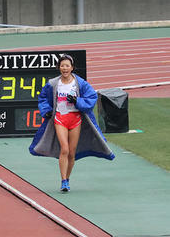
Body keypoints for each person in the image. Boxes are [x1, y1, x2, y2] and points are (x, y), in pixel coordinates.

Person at [29, 54, 115, 192]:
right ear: (58, 67)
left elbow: (92, 97)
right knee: (64, 149)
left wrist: (77, 101)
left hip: (75, 120)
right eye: (62, 65)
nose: (65, 68)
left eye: (67, 66)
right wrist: (47, 111)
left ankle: (67, 179)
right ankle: (63, 180)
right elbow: (43, 98)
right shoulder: (53, 84)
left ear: (72, 67)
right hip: (59, 119)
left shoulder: (80, 83)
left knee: (72, 153)